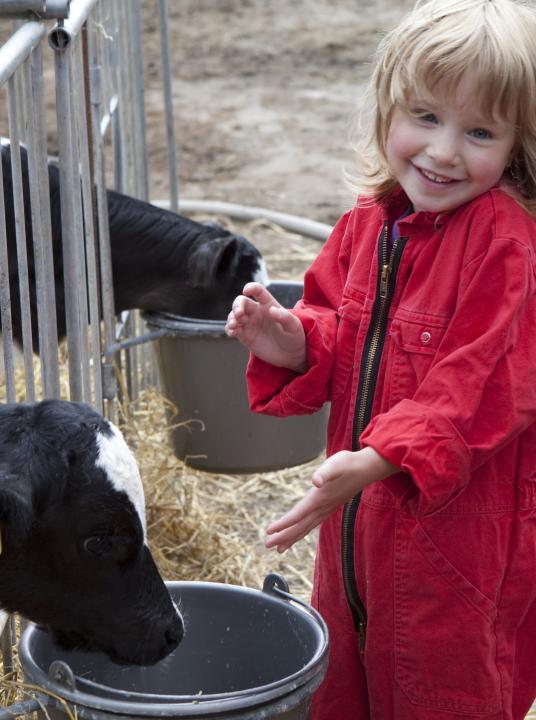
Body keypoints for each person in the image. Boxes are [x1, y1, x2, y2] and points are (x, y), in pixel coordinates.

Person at [225, 0, 536, 717]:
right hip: (355, 531)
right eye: (425, 117)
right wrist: (291, 341)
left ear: (517, 143)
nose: (444, 151)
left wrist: (377, 459)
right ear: (388, 108)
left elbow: (481, 383)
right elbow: (344, 330)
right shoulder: (370, 223)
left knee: (441, 690)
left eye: (479, 130)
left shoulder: (507, 244)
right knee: (342, 684)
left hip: (456, 546)